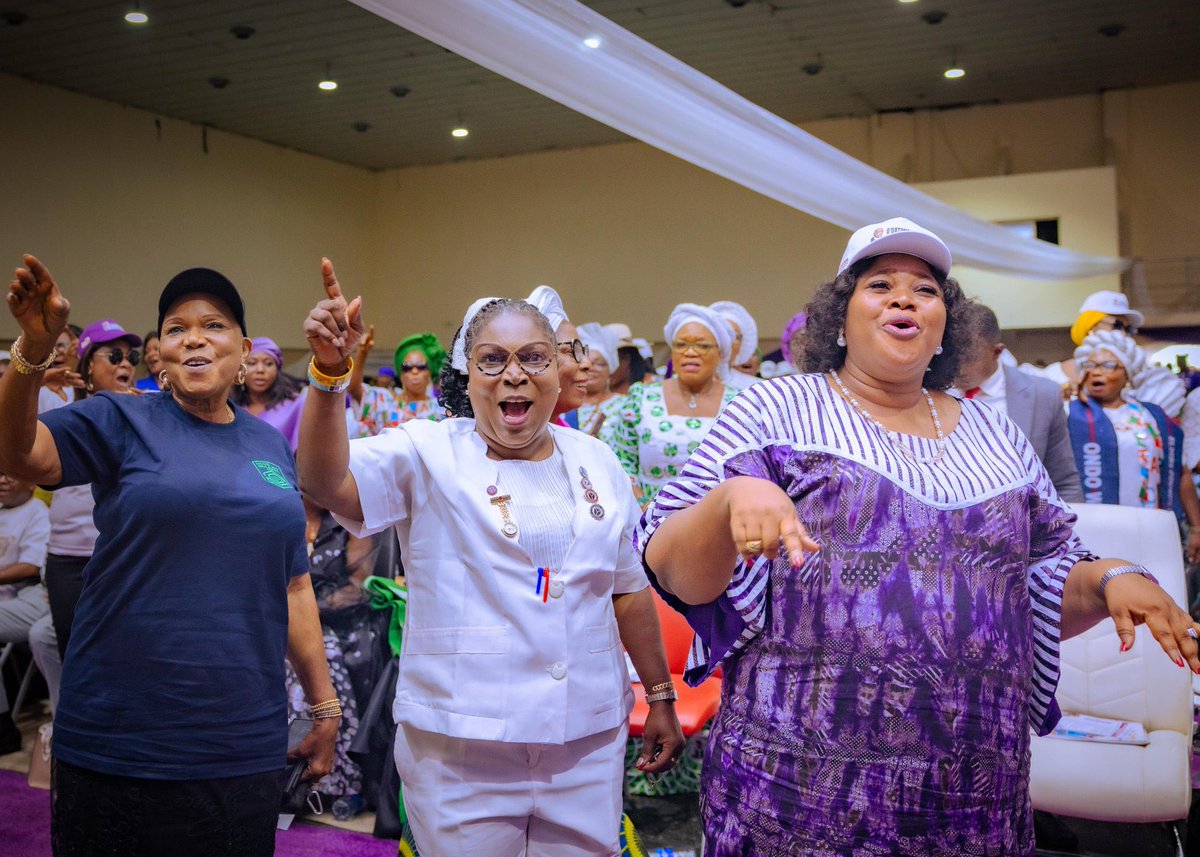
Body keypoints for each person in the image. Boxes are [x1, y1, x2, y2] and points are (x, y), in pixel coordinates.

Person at [634, 217, 1200, 856]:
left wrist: (1108, 578)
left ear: (943, 330)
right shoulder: (773, 410)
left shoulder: (997, 436)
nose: (905, 297)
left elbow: (1036, 584)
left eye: (926, 289)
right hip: (797, 798)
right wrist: (730, 499)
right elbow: (672, 569)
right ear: (839, 320)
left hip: (971, 798)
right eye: (880, 284)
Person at [297, 260, 682, 857]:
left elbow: (626, 588)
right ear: (466, 374)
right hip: (461, 749)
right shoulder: (426, 452)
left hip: (584, 741)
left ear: (557, 368)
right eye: (492, 360)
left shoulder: (597, 460)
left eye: (534, 357)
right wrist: (328, 374)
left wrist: (660, 694)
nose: (514, 375)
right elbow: (325, 480)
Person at [0, 257, 338, 857]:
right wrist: (32, 345)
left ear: (243, 348)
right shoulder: (121, 418)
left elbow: (292, 583)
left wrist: (324, 705)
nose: (196, 338)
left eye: (214, 324)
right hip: (121, 737)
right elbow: (20, 453)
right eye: (177, 328)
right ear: (160, 353)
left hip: (241, 739)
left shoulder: (267, 443)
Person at [1067, 331, 1200, 564]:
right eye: (1090, 364)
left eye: (1109, 365)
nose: (1097, 371)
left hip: (1149, 530)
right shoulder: (1068, 413)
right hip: (1093, 532)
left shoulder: (1153, 416)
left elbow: (1180, 472)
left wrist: (1197, 527)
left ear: (1127, 374)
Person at [611, 303, 737, 506]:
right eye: (681, 345)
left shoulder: (738, 404)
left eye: (702, 345)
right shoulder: (641, 398)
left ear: (720, 353)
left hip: (719, 522)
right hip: (650, 522)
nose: (690, 352)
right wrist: (644, 508)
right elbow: (621, 461)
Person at [956, 301, 1083, 502]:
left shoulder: (1043, 395)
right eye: (950, 358)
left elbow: (1064, 481)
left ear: (997, 352)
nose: (957, 369)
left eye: (969, 360)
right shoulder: (927, 391)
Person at [1021, 290, 1185, 416]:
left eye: (1129, 329)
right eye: (1117, 325)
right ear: (1090, 327)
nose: (1124, 334)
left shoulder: (1143, 382)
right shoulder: (1048, 377)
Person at [0, 469, 50, 753]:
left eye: (10, 474)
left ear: (32, 482)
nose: (3, 480)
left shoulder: (37, 512)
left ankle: (3, 727)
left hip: (27, 596)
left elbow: (30, 566)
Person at [234, 336, 307, 449]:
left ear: (277, 369)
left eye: (268, 364)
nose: (260, 370)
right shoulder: (231, 406)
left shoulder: (296, 404)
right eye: (252, 363)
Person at [576, 322, 623, 444]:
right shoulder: (567, 406)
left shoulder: (624, 405)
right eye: (585, 364)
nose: (591, 368)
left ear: (610, 369)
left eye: (599, 364)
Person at [75, 320, 142, 399]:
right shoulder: (75, 411)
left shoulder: (143, 408)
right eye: (116, 355)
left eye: (132, 357)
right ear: (89, 366)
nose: (126, 364)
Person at [710, 301, 759, 390]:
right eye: (722, 334)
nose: (728, 341)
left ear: (741, 345)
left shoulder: (756, 387)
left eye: (735, 336)